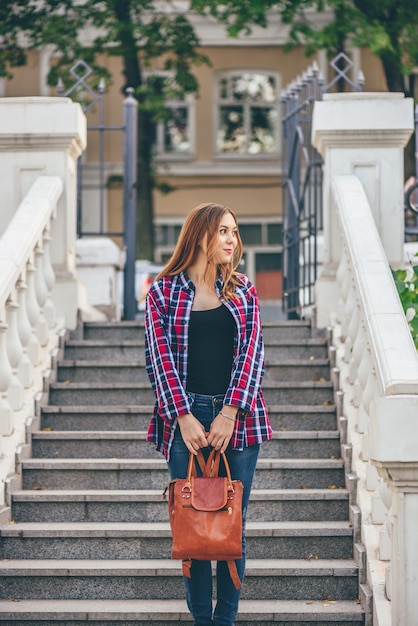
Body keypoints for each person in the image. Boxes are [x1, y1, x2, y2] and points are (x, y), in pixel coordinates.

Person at [144, 202, 272, 626]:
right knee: (194, 525)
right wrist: (183, 416)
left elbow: (253, 354)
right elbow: (158, 359)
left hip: (237, 418)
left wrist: (230, 412)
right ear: (200, 235)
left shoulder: (243, 290)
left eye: (234, 232)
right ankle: (203, 620)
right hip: (186, 419)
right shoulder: (163, 293)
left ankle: (226, 621)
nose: (232, 240)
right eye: (224, 232)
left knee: (232, 524)